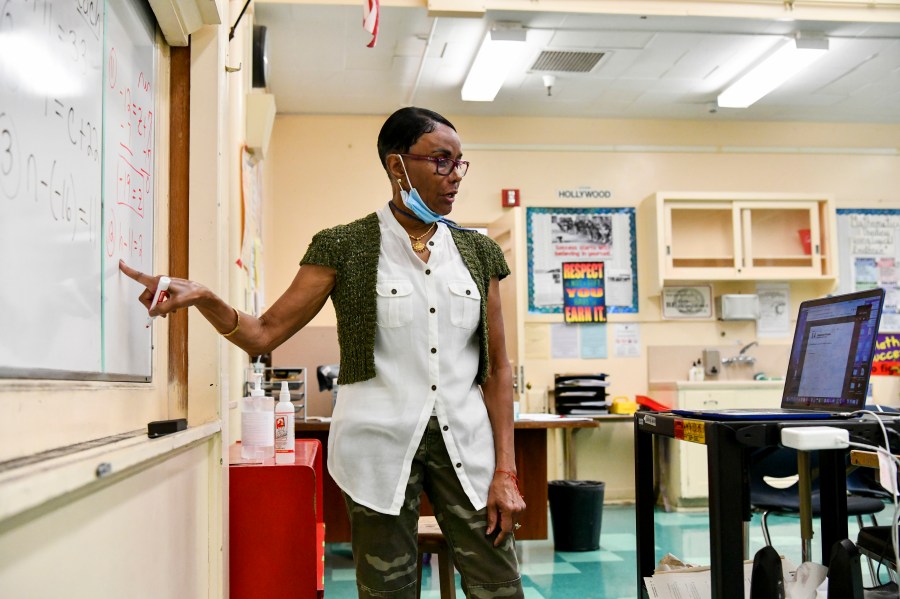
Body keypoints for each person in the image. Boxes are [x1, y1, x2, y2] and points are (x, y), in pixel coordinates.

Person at [120, 106, 526, 598]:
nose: (455, 176)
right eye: (441, 161)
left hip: (469, 448)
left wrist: (505, 469)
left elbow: (497, 369)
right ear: (398, 166)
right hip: (378, 450)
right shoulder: (344, 246)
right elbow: (263, 332)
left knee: (499, 586)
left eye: (461, 163)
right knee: (388, 593)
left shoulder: (478, 253)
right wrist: (206, 297)